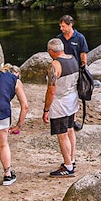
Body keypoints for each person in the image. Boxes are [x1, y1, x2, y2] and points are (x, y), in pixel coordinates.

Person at [42, 38, 80, 177]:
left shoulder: (54, 65)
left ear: (51, 51)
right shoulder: (73, 59)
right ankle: (72, 159)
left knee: (62, 134)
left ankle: (68, 166)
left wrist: (46, 109)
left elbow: (51, 90)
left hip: (60, 103)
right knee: (70, 130)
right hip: (72, 99)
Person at [56, 15, 90, 128]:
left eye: (63, 26)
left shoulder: (79, 38)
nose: (61, 28)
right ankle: (63, 116)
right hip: (62, 69)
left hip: (75, 70)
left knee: (74, 94)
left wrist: (83, 66)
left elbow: (83, 54)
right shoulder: (59, 38)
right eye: (60, 26)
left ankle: (73, 119)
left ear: (70, 25)